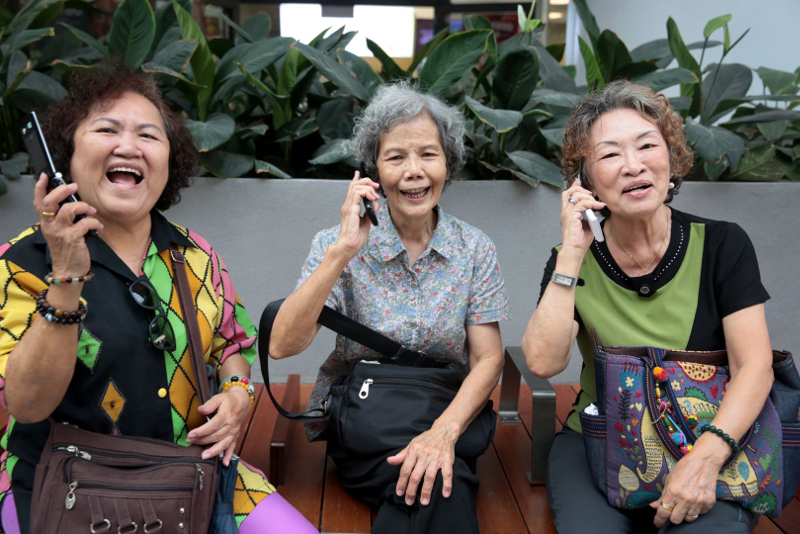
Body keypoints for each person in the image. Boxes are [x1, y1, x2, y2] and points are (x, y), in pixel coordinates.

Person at [0, 66, 317, 534]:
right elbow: (26, 405)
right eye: (106, 129)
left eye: (149, 135)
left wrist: (236, 395)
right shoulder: (21, 263)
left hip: (190, 472)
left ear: (169, 162)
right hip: (59, 479)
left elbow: (234, 344)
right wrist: (66, 274)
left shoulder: (196, 255)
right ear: (66, 156)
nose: (128, 146)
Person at [521, 80, 774, 533]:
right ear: (586, 179)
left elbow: (754, 366)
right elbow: (542, 362)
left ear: (671, 160)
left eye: (646, 146)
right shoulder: (571, 259)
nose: (633, 165)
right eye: (610, 154)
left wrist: (705, 460)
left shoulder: (722, 244)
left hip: (710, 442)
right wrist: (573, 253)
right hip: (597, 443)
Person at [268, 81, 510, 533]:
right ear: (373, 171)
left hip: (445, 416)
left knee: (438, 478)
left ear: (448, 165)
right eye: (396, 157)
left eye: (428, 154)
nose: (413, 172)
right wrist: (343, 249)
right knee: (443, 483)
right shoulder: (335, 244)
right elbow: (282, 345)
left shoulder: (475, 248)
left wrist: (442, 433)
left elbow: (488, 357)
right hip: (365, 423)